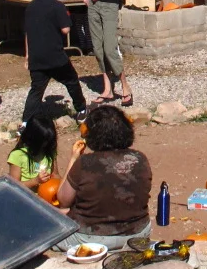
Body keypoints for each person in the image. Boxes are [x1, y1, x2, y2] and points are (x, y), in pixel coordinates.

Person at [56, 104, 152, 250]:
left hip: (91, 238)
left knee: (50, 217)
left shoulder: (85, 163)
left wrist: (74, 159)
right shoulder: (140, 159)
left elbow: (63, 200)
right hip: (138, 234)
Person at [20, 0, 87, 123]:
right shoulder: (57, 6)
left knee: (36, 90)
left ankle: (25, 123)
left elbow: (27, 33)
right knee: (71, 80)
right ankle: (82, 110)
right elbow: (66, 29)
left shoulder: (30, 7)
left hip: (36, 57)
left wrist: (27, 55)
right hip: (55, 56)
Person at [7, 115, 58, 192]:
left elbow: (56, 175)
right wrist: (35, 181)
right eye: (44, 141)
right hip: (27, 199)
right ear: (34, 138)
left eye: (49, 141)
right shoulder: (18, 155)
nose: (46, 144)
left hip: (48, 195)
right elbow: (14, 186)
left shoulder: (49, 151)